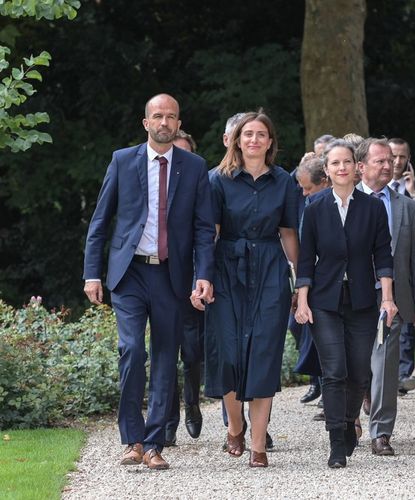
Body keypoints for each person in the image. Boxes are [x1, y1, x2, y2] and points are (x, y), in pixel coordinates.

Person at [83, 94, 215, 470]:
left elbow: (205, 228)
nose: (164, 122)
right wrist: (92, 273)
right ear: (146, 122)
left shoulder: (193, 167)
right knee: (132, 351)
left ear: (178, 123)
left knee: (164, 358)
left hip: (172, 275)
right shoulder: (123, 160)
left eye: (171, 117)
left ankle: (155, 443)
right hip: (129, 273)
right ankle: (132, 439)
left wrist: (203, 274)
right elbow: (100, 221)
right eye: (158, 116)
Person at [203, 110, 299, 468]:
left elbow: (289, 233)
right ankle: (235, 422)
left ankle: (258, 445)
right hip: (226, 268)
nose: (254, 140)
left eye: (261, 134)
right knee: (228, 354)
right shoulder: (217, 180)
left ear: (270, 142)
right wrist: (203, 277)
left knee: (263, 353)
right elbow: (208, 233)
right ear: (236, 140)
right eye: (248, 134)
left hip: (270, 269)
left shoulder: (284, 181)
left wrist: (301, 282)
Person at [294, 139, 397, 468]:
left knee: (359, 371)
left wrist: (389, 299)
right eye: (335, 163)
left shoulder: (372, 208)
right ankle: (337, 439)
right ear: (327, 170)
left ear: (356, 168)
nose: (342, 168)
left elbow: (383, 256)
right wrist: (302, 301)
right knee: (334, 371)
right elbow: (306, 260)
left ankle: (350, 419)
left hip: (363, 300)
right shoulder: (315, 208)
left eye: (347, 162)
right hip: (324, 300)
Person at [355, 138, 415, 456]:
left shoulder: (407, 206)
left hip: (391, 300)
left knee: (385, 363)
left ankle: (381, 431)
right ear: (362, 166)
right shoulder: (341, 200)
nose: (389, 166)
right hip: (349, 297)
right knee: (348, 361)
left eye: (390, 161)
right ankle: (347, 419)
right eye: (380, 161)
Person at [164, 129, 205, 447]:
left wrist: (198, 281)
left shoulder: (196, 182)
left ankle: (192, 403)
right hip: (160, 282)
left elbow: (204, 237)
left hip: (191, 282)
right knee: (165, 352)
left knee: (191, 352)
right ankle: (168, 419)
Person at [388, 137, 415, 395]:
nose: (397, 161)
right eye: (393, 155)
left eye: (402, 156)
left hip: (410, 262)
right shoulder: (378, 187)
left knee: (408, 318)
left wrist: (413, 193)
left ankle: (404, 372)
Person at [294, 154, 331, 407]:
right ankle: (319, 384)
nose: (305, 193)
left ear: (324, 182)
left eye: (308, 188)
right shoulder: (311, 203)